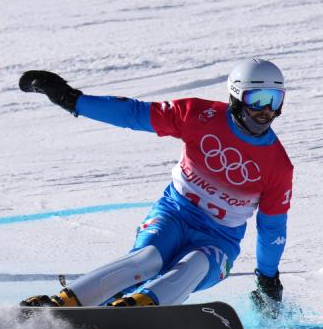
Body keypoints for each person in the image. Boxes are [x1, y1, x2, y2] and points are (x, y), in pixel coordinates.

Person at [19, 58, 292, 314]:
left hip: (219, 240)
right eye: (257, 100)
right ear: (235, 97)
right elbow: (134, 113)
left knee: (195, 263)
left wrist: (268, 278)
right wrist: (72, 100)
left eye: (275, 100)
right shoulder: (200, 116)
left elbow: (272, 229)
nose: (266, 111)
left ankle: (141, 307)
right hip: (174, 215)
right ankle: (64, 303)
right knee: (148, 260)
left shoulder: (278, 165)